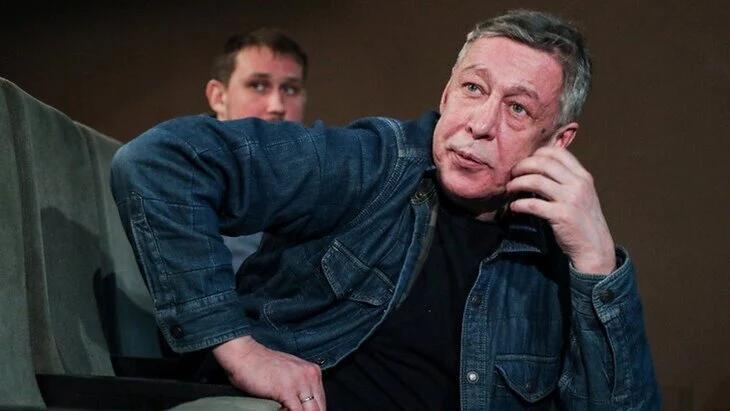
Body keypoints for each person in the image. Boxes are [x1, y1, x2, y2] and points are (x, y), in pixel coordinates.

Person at [110, 9, 660, 410]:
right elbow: (161, 162)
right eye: (473, 89)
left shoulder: (558, 258)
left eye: (517, 108)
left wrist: (598, 265)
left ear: (558, 141)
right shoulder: (371, 163)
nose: (481, 123)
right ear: (446, 95)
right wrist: (239, 349)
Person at [206, 28, 308, 272]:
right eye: (258, 86)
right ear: (218, 97)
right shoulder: (182, 174)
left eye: (290, 89)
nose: (277, 106)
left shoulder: (322, 181)